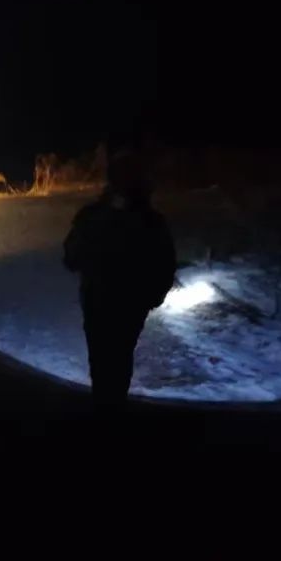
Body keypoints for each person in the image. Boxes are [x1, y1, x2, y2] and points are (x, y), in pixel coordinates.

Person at [62, 149, 176, 410]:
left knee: (109, 359)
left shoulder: (143, 221)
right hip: (109, 303)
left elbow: (164, 263)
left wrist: (153, 295)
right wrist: (153, 296)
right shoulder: (142, 220)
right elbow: (72, 255)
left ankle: (107, 408)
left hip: (116, 304)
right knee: (114, 360)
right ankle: (109, 408)